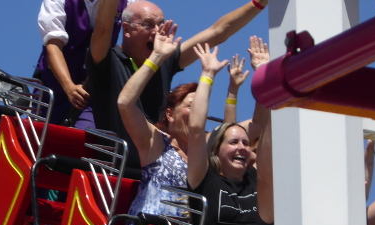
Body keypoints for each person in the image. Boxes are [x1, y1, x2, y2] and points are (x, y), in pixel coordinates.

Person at [87, 0, 268, 166]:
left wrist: (259, 3)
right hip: (114, 171)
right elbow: (103, 28)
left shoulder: (165, 60)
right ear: (126, 29)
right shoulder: (107, 61)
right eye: (148, 24)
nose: (157, 32)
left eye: (161, 24)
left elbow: (217, 32)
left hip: (157, 173)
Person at [186, 42, 273, 225]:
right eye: (233, 142)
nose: (241, 148)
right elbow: (196, 129)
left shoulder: (257, 181)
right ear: (216, 150)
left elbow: (266, 124)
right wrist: (208, 75)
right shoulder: (205, 178)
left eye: (246, 143)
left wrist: (266, 78)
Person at [114, 30, 192, 225]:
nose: (197, 111)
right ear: (170, 114)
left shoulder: (207, 153)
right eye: (191, 105)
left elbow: (249, 133)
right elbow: (125, 102)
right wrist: (156, 58)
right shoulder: (156, 143)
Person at [35, 0, 131, 128]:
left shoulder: (128, 3)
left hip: (93, 93)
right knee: (37, 140)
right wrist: (69, 87)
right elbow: (53, 46)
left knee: (85, 139)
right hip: (52, 90)